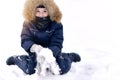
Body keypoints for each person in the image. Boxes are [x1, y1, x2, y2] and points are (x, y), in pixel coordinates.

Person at [6, 0, 81, 75]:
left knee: (62, 69)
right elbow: (25, 39)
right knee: (30, 70)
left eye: (44, 11)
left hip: (52, 52)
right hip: (35, 51)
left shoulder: (56, 24)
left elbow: (57, 41)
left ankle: (69, 57)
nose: (41, 14)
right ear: (32, 11)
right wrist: (34, 47)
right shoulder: (28, 23)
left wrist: (50, 53)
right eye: (37, 11)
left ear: (50, 11)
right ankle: (17, 59)